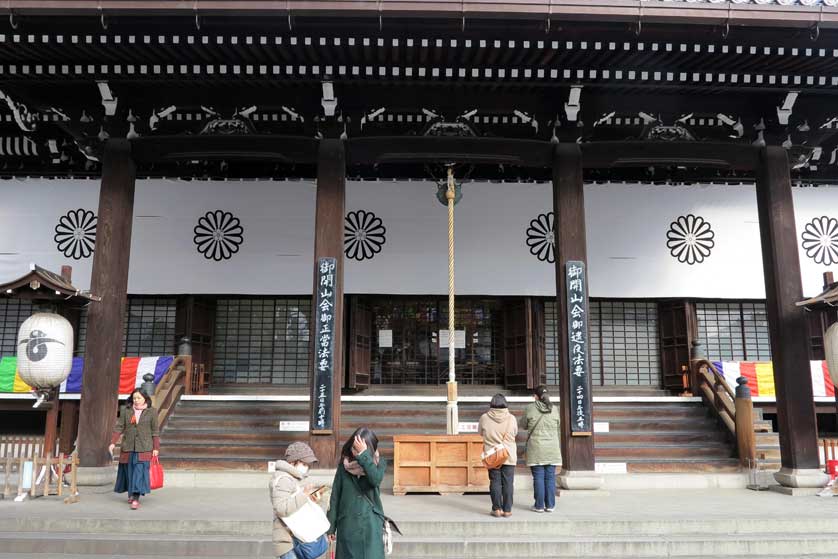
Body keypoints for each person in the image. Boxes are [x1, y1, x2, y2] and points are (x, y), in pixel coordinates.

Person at [327, 427, 387, 559]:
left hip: (370, 527)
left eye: (359, 449)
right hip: (347, 525)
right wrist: (331, 526)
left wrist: (363, 456)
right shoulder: (344, 466)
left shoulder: (379, 464)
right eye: (354, 448)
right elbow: (335, 496)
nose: (355, 452)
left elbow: (375, 480)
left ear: (369, 449)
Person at [270, 442, 324, 559]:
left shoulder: (293, 478)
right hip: (287, 540)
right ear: (292, 461)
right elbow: (281, 508)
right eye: (304, 463)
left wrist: (311, 498)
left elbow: (296, 503)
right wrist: (304, 495)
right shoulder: (283, 479)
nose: (307, 467)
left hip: (296, 537)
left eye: (308, 464)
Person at [109, 388, 159, 510]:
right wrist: (113, 443)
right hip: (128, 446)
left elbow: (155, 431)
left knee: (139, 472)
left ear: (145, 399)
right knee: (129, 472)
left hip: (144, 447)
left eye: (139, 398)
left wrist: (156, 448)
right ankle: (131, 493)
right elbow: (119, 427)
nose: (136, 400)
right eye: (134, 398)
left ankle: (136, 498)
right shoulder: (126, 410)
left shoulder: (152, 412)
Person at [523, 385, 561, 513]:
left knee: (538, 477)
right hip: (553, 448)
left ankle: (539, 506)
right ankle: (550, 505)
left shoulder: (530, 408)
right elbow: (558, 427)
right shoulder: (554, 409)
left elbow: (523, 424)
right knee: (550, 477)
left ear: (535, 396)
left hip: (536, 448)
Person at [479, 394, 518, 517]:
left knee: (495, 481)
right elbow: (515, 433)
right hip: (508, 454)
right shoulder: (511, 418)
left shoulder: (484, 417)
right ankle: (507, 510)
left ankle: (496, 509)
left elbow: (480, 433)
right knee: (508, 482)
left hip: (492, 455)